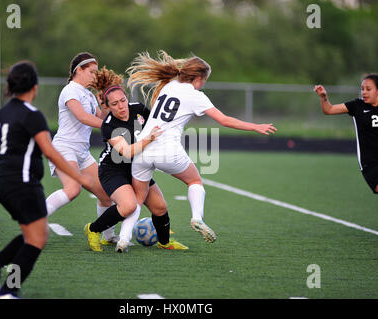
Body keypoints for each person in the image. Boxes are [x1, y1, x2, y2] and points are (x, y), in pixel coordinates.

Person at [126, 50, 277, 242]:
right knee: (194, 181)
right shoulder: (196, 96)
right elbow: (224, 120)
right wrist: (255, 126)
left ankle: (123, 238)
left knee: (138, 199)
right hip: (167, 150)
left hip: (143, 148)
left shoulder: (169, 84)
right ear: (197, 77)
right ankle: (197, 217)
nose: (204, 83)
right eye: (205, 79)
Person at [0, 61, 92, 298]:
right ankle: (9, 290)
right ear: (35, 87)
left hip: (0, 183)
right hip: (23, 184)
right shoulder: (33, 115)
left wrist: (1, 164)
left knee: (33, 235)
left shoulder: (0, 114)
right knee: (37, 239)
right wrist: (76, 176)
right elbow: (49, 151)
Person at [83, 66, 189, 252]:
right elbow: (127, 152)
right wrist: (149, 139)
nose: (121, 106)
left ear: (126, 98)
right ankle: (93, 229)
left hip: (138, 168)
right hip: (113, 170)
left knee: (160, 207)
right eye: (114, 104)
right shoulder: (108, 126)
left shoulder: (138, 109)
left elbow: (158, 123)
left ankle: (165, 243)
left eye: (122, 100)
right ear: (106, 106)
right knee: (128, 206)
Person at [45, 52, 118, 244]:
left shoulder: (89, 95)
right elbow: (82, 117)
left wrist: (105, 105)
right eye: (92, 72)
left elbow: (99, 118)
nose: (95, 76)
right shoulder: (70, 90)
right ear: (79, 70)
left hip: (82, 153)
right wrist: (109, 126)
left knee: (106, 194)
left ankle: (108, 236)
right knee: (72, 189)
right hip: (64, 148)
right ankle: (35, 219)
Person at [314, 74, 378, 201]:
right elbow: (329, 110)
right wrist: (323, 97)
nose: (364, 92)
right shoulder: (357, 106)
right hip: (372, 164)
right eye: (362, 89)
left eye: (368, 89)